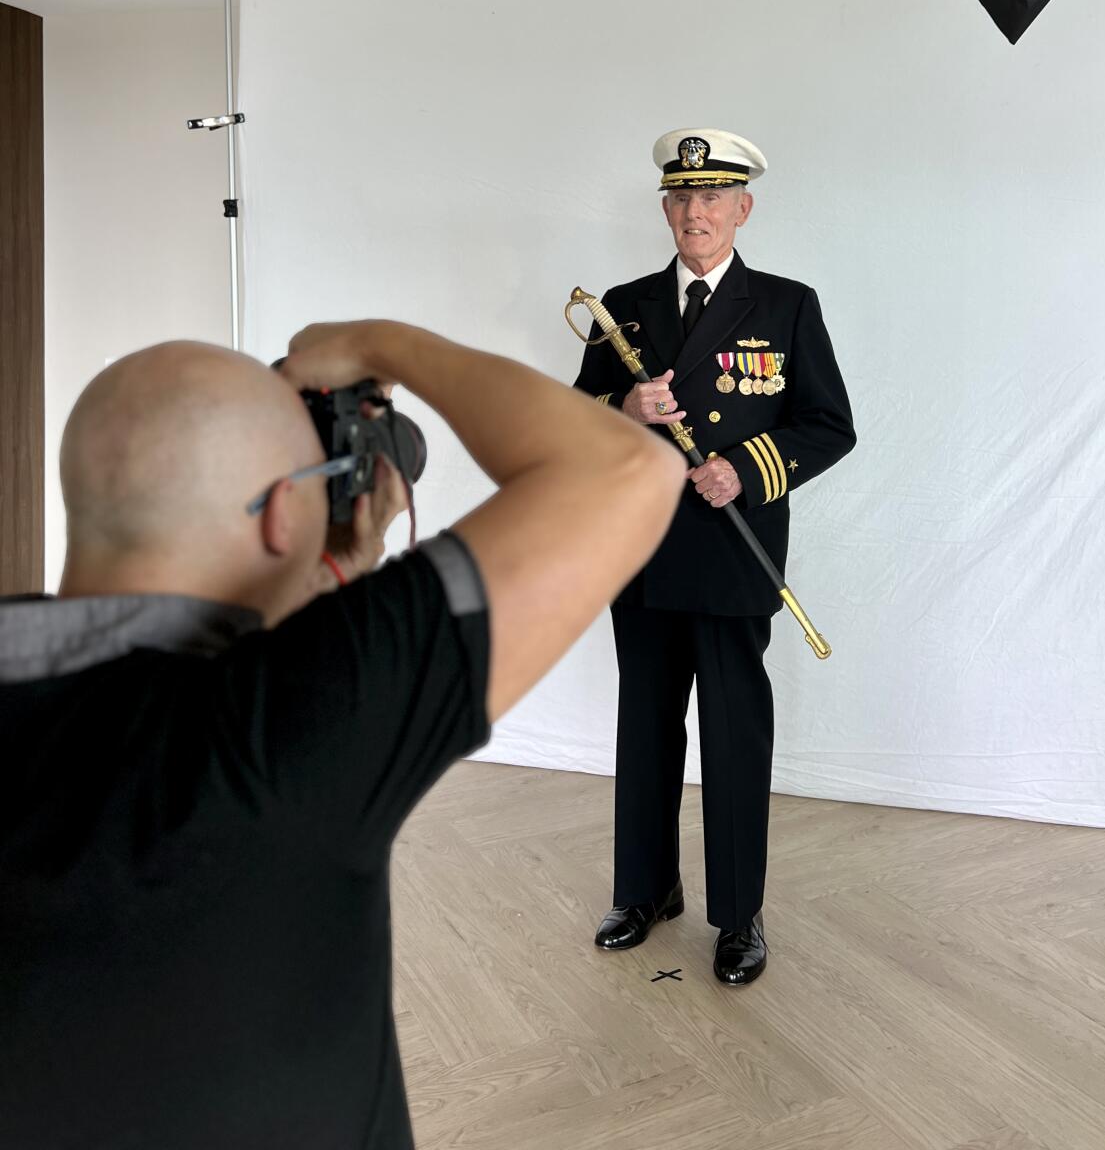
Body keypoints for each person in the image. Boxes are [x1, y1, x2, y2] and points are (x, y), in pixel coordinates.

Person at [0, 320, 683, 1150]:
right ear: (286, 513)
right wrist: (372, 345)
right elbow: (629, 467)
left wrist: (324, 586)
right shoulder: (286, 728)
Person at [574, 129, 856, 985]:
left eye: (714, 198)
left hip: (735, 557)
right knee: (647, 729)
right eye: (682, 198)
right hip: (645, 554)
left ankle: (739, 916)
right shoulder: (622, 306)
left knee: (734, 738)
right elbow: (573, 425)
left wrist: (748, 469)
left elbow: (829, 425)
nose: (697, 213)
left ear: (743, 209)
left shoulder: (786, 304)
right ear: (665, 209)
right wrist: (624, 405)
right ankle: (645, 890)